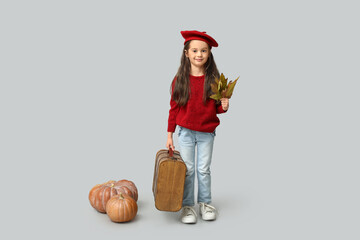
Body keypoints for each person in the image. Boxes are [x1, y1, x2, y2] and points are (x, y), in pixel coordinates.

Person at [166, 30, 229, 224]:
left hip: (206, 133)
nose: (199, 54)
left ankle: (205, 203)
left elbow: (217, 108)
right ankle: (187, 206)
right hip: (185, 132)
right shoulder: (180, 80)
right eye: (194, 50)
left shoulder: (214, 81)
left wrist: (224, 106)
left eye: (203, 51)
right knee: (189, 169)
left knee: (203, 169)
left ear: (209, 53)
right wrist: (170, 135)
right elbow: (174, 108)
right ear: (186, 53)